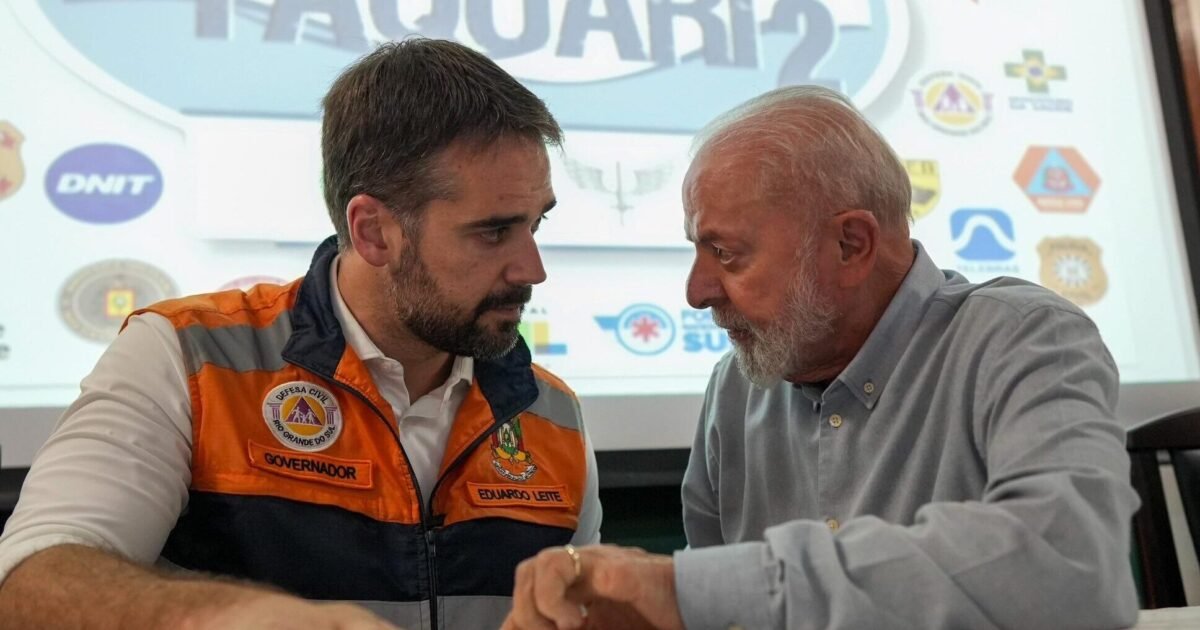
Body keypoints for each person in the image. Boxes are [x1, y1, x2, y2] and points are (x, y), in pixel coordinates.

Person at [0, 38, 601, 629]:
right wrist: (231, 616)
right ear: (373, 232)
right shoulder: (187, 358)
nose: (533, 270)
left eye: (536, 224)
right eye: (494, 233)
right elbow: (28, 581)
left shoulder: (552, 413)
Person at [502, 85, 1139, 630]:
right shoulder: (737, 389)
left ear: (851, 244)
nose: (696, 292)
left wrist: (699, 589)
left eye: (727, 254)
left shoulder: (1024, 339)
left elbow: (1071, 567)